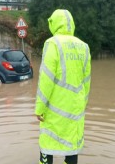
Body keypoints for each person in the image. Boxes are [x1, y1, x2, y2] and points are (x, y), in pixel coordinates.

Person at [35, 9, 91, 164]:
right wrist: (82, 105)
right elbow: (86, 82)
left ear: (53, 24)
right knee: (72, 148)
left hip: (54, 109)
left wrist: (39, 108)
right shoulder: (84, 47)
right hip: (75, 110)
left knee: (47, 146)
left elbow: (46, 79)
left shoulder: (52, 44)